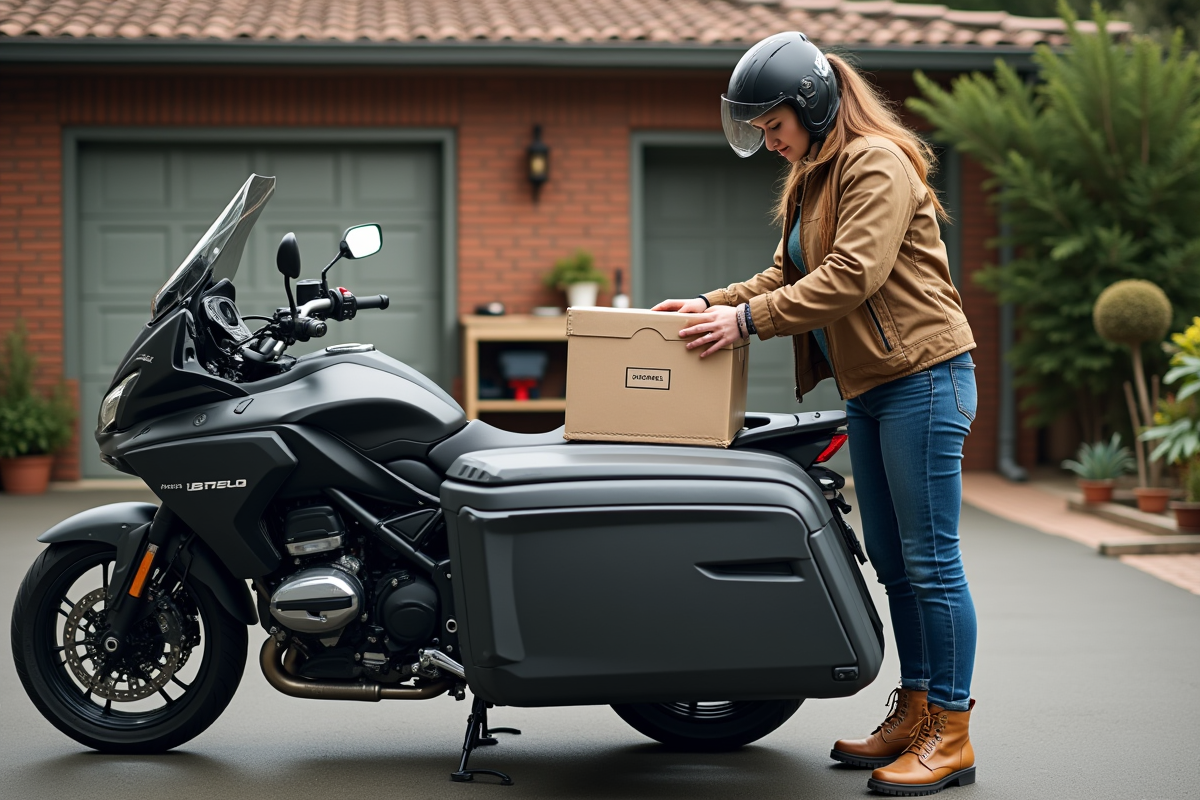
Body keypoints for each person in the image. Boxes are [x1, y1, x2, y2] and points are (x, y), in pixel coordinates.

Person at [652, 31, 979, 797]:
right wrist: (709, 303)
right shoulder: (812, 174)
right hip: (870, 387)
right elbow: (784, 271)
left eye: (775, 126)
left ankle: (953, 732)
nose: (770, 142)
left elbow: (852, 276)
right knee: (897, 568)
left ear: (815, 105)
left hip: (925, 377)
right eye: (762, 130)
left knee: (932, 563)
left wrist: (746, 323)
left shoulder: (876, 163)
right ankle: (920, 706)